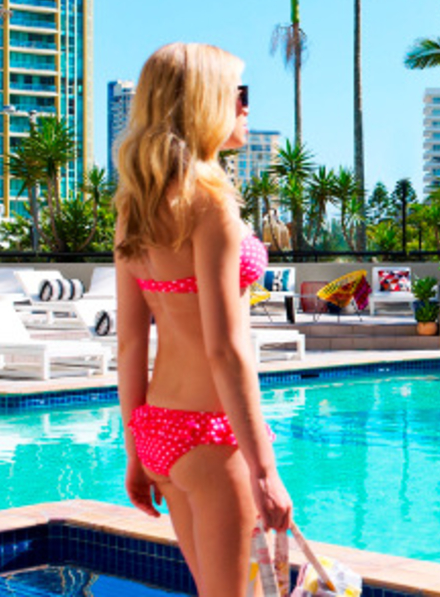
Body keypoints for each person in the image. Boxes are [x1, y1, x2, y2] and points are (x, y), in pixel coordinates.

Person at [113, 43, 292, 596]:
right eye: (237, 94)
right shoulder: (211, 200)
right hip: (213, 437)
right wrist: (263, 471)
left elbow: (128, 344)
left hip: (161, 430)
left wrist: (135, 451)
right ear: (203, 102)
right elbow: (224, 348)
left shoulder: (134, 204)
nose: (244, 106)